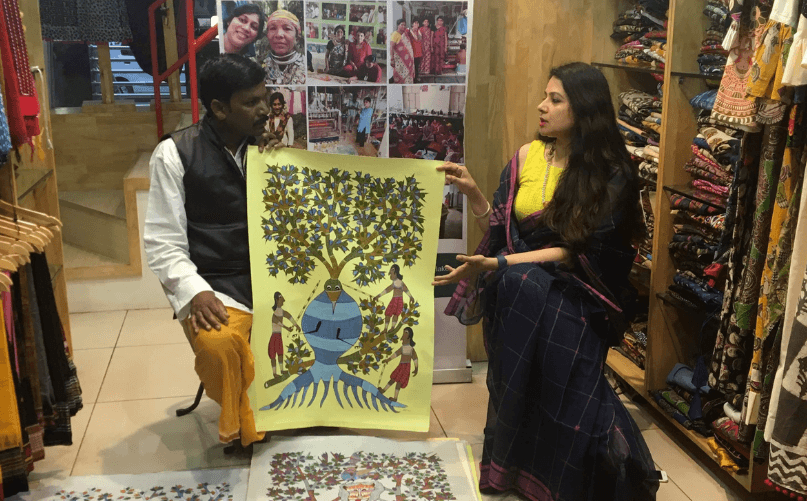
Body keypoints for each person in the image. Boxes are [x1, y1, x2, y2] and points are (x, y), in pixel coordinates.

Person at [432, 62, 658, 500]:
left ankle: (555, 474)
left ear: (585, 109)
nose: (542, 106)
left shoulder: (611, 172)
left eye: (555, 100)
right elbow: (500, 226)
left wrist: (501, 266)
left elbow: (581, 251)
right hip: (520, 285)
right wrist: (474, 193)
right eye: (544, 96)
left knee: (522, 287)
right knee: (520, 287)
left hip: (580, 291)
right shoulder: (526, 156)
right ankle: (512, 468)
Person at [144, 54, 285, 454]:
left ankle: (298, 412)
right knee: (219, 346)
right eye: (251, 102)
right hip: (213, 285)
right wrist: (194, 292)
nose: (263, 110)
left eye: (265, 98)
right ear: (219, 109)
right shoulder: (175, 154)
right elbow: (162, 241)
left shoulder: (267, 150)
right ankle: (245, 424)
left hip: (270, 281)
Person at [263, 9, 306, 85]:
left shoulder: (306, 67)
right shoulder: (261, 68)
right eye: (273, 28)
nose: (279, 34)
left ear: (297, 37)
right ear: (267, 35)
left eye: (287, 29)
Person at [378, 327, 419, 403]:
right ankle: (383, 390)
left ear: (409, 335)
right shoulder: (403, 347)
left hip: (406, 367)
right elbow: (396, 354)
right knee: (393, 378)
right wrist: (388, 360)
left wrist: (416, 368)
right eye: (404, 332)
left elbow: (415, 358)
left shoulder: (411, 348)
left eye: (406, 332)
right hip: (401, 366)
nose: (404, 334)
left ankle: (395, 398)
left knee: (399, 382)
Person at [373, 264, 414, 333]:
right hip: (394, 299)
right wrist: (378, 296)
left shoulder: (399, 282)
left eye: (392, 270)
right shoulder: (395, 282)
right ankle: (386, 329)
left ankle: (391, 328)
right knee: (388, 314)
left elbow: (405, 290)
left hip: (397, 300)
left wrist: (411, 297)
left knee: (394, 314)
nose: (391, 273)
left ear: (396, 272)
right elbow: (387, 290)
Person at [268, 292, 301, 378]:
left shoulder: (282, 312)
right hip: (274, 336)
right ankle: (274, 373)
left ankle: (282, 370)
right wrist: (287, 328)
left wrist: (296, 325)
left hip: (278, 336)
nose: (283, 300)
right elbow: (277, 322)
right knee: (273, 355)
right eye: (281, 298)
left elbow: (289, 316)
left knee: (280, 353)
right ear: (277, 300)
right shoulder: (275, 313)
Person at [390, 19, 415, 84]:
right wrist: (392, 58)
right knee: (399, 77)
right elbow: (392, 47)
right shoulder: (395, 34)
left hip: (408, 62)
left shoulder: (405, 34)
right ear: (398, 25)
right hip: (399, 61)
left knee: (408, 78)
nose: (403, 26)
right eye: (402, 25)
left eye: (404, 25)